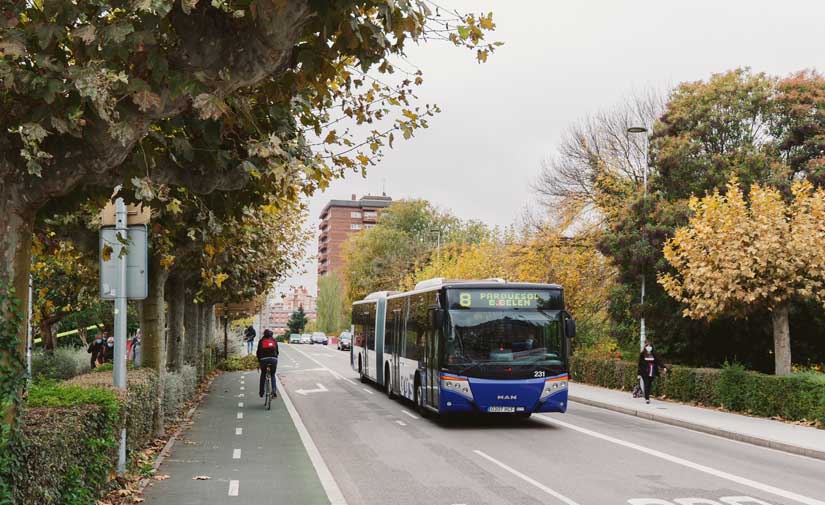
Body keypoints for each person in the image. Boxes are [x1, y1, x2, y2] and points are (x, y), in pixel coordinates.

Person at [256, 329, 279, 398]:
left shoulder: (261, 341)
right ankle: (274, 391)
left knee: (263, 374)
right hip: (273, 359)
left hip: (263, 359)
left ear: (264, 334)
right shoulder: (274, 340)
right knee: (272, 375)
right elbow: (277, 351)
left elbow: (258, 352)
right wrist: (275, 357)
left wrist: (259, 360)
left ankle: (261, 392)